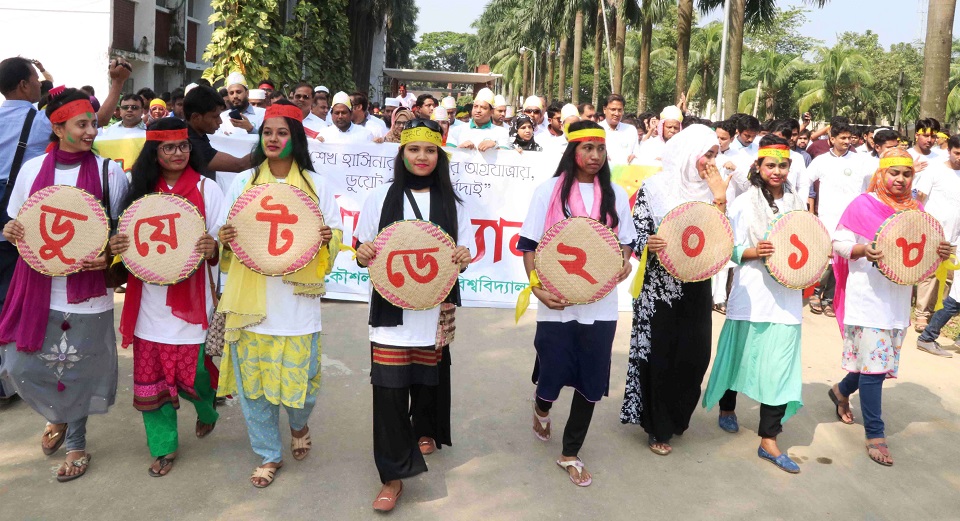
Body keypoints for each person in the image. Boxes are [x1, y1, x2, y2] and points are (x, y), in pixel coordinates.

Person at [0, 87, 129, 481]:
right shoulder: (31, 170)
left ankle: (76, 444)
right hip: (38, 286)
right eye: (82, 124)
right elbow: (18, 224)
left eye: (93, 122)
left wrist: (109, 253)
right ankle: (56, 413)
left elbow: (122, 233)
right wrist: (10, 230)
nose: (92, 130)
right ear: (58, 128)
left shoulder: (108, 172)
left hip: (88, 292)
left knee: (77, 370)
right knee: (22, 361)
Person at [216, 100, 342, 488]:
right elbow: (225, 234)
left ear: (296, 138)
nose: (273, 138)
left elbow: (336, 235)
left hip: (298, 304)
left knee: (301, 389)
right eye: (267, 132)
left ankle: (300, 425)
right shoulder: (244, 182)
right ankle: (269, 454)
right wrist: (224, 238)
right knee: (254, 389)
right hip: (252, 304)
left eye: (282, 132)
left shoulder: (317, 185)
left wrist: (326, 239)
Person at [354, 119, 474, 511]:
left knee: (426, 380)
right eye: (413, 150)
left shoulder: (454, 204)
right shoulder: (379, 198)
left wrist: (462, 257)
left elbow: (465, 256)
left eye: (429, 150)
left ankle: (424, 429)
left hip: (434, 311)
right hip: (390, 313)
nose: (421, 157)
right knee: (388, 392)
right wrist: (364, 254)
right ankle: (392, 475)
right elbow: (361, 252)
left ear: (439, 156)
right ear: (401, 154)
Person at [518, 120, 635, 487]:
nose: (595, 156)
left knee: (591, 375)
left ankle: (570, 452)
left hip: (600, 305)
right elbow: (531, 245)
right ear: (572, 151)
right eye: (587, 148)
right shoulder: (548, 191)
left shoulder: (614, 192)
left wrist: (625, 262)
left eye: (600, 149)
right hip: (557, 302)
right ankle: (542, 405)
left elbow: (626, 242)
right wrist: (537, 288)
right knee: (552, 370)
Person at [107, 118, 223, 476]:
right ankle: (163, 447)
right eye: (169, 147)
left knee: (197, 376)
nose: (178, 153)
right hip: (149, 303)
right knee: (151, 377)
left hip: (193, 301)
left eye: (184, 146)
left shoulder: (207, 189)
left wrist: (212, 248)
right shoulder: (138, 190)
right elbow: (121, 244)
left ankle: (207, 410)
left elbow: (222, 246)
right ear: (154, 153)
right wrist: (117, 247)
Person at [828, 149, 953, 467]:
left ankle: (841, 391)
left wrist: (939, 251)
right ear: (881, 174)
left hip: (896, 301)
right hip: (867, 298)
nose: (899, 179)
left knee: (875, 363)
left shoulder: (917, 210)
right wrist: (861, 249)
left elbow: (922, 253)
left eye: (906, 174)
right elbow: (838, 243)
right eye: (893, 172)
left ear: (914, 177)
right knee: (874, 368)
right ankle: (875, 434)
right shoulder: (863, 204)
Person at [701, 136, 807, 473]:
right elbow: (726, 248)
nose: (777, 171)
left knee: (779, 368)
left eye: (783, 165)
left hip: (787, 299)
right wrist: (753, 252)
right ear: (758, 168)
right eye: (770, 165)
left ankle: (769, 439)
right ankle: (727, 408)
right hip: (751, 294)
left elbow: (810, 243)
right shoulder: (743, 204)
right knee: (739, 358)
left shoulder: (798, 204)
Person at [620, 124, 727, 456]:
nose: (710, 161)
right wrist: (646, 242)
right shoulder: (655, 187)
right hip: (659, 286)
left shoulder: (714, 190)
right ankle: (657, 425)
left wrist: (720, 196)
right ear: (688, 152)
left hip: (697, 284)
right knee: (661, 354)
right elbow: (635, 234)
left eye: (714, 154)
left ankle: (678, 415)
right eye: (706, 154)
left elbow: (724, 239)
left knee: (695, 355)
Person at [0, 57, 56, 402]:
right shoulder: (38, 121)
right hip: (16, 218)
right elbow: (91, 123)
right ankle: (12, 377)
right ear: (24, 85)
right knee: (14, 298)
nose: (39, 85)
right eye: (36, 80)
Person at [805, 121, 860, 318]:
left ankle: (830, 299)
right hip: (827, 217)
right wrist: (807, 210)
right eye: (842, 138)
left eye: (849, 138)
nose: (847, 141)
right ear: (832, 139)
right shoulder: (821, 161)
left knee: (843, 258)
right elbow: (805, 181)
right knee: (826, 258)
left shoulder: (859, 160)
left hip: (851, 220)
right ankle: (815, 293)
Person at [914, 135, 960, 356]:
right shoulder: (934, 169)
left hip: (957, 236)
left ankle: (937, 315)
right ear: (949, 150)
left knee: (949, 279)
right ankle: (922, 314)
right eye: (957, 153)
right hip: (934, 233)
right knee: (929, 275)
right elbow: (920, 198)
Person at [183, 85, 252, 179]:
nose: (220, 121)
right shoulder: (190, 143)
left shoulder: (197, 135)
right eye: (215, 117)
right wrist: (265, 148)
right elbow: (239, 165)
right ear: (196, 117)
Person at [599, 94, 641, 165]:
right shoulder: (597, 129)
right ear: (604, 109)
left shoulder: (630, 130)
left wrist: (635, 156)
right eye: (613, 109)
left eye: (620, 110)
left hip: (626, 173)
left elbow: (636, 151)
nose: (616, 113)